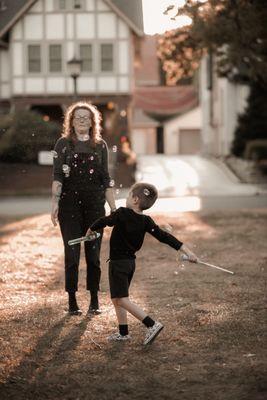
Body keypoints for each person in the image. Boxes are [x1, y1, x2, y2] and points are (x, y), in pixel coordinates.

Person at [86, 182, 198, 345]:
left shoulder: (122, 213)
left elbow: (105, 220)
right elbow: (164, 237)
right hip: (130, 263)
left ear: (135, 199)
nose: (127, 197)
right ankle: (123, 333)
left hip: (118, 264)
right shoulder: (146, 221)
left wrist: (91, 229)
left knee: (121, 299)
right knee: (118, 299)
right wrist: (187, 251)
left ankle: (151, 324)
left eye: (129, 194)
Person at [51, 101, 116, 316]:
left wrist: (114, 208)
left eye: (85, 117)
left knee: (94, 254)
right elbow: (58, 176)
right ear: (70, 121)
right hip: (69, 207)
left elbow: (106, 178)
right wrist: (54, 202)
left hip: (95, 207)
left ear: (92, 122)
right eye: (77, 116)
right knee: (71, 254)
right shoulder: (63, 144)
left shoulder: (100, 145)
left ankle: (94, 300)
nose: (81, 120)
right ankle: (72, 301)